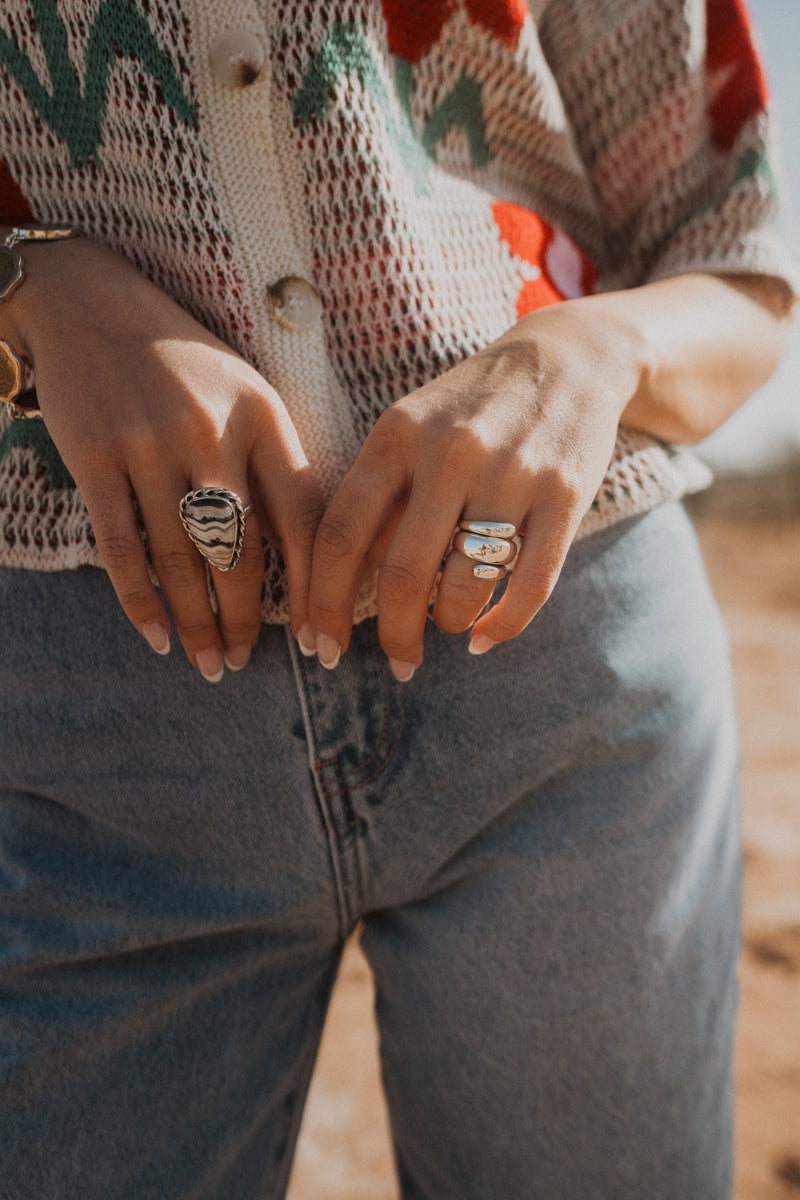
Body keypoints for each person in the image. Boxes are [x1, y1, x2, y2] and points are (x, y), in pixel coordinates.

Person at [0, 1, 795, 1196]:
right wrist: (27, 283)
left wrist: (585, 354)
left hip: (567, 688)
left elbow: (738, 270)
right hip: (84, 736)